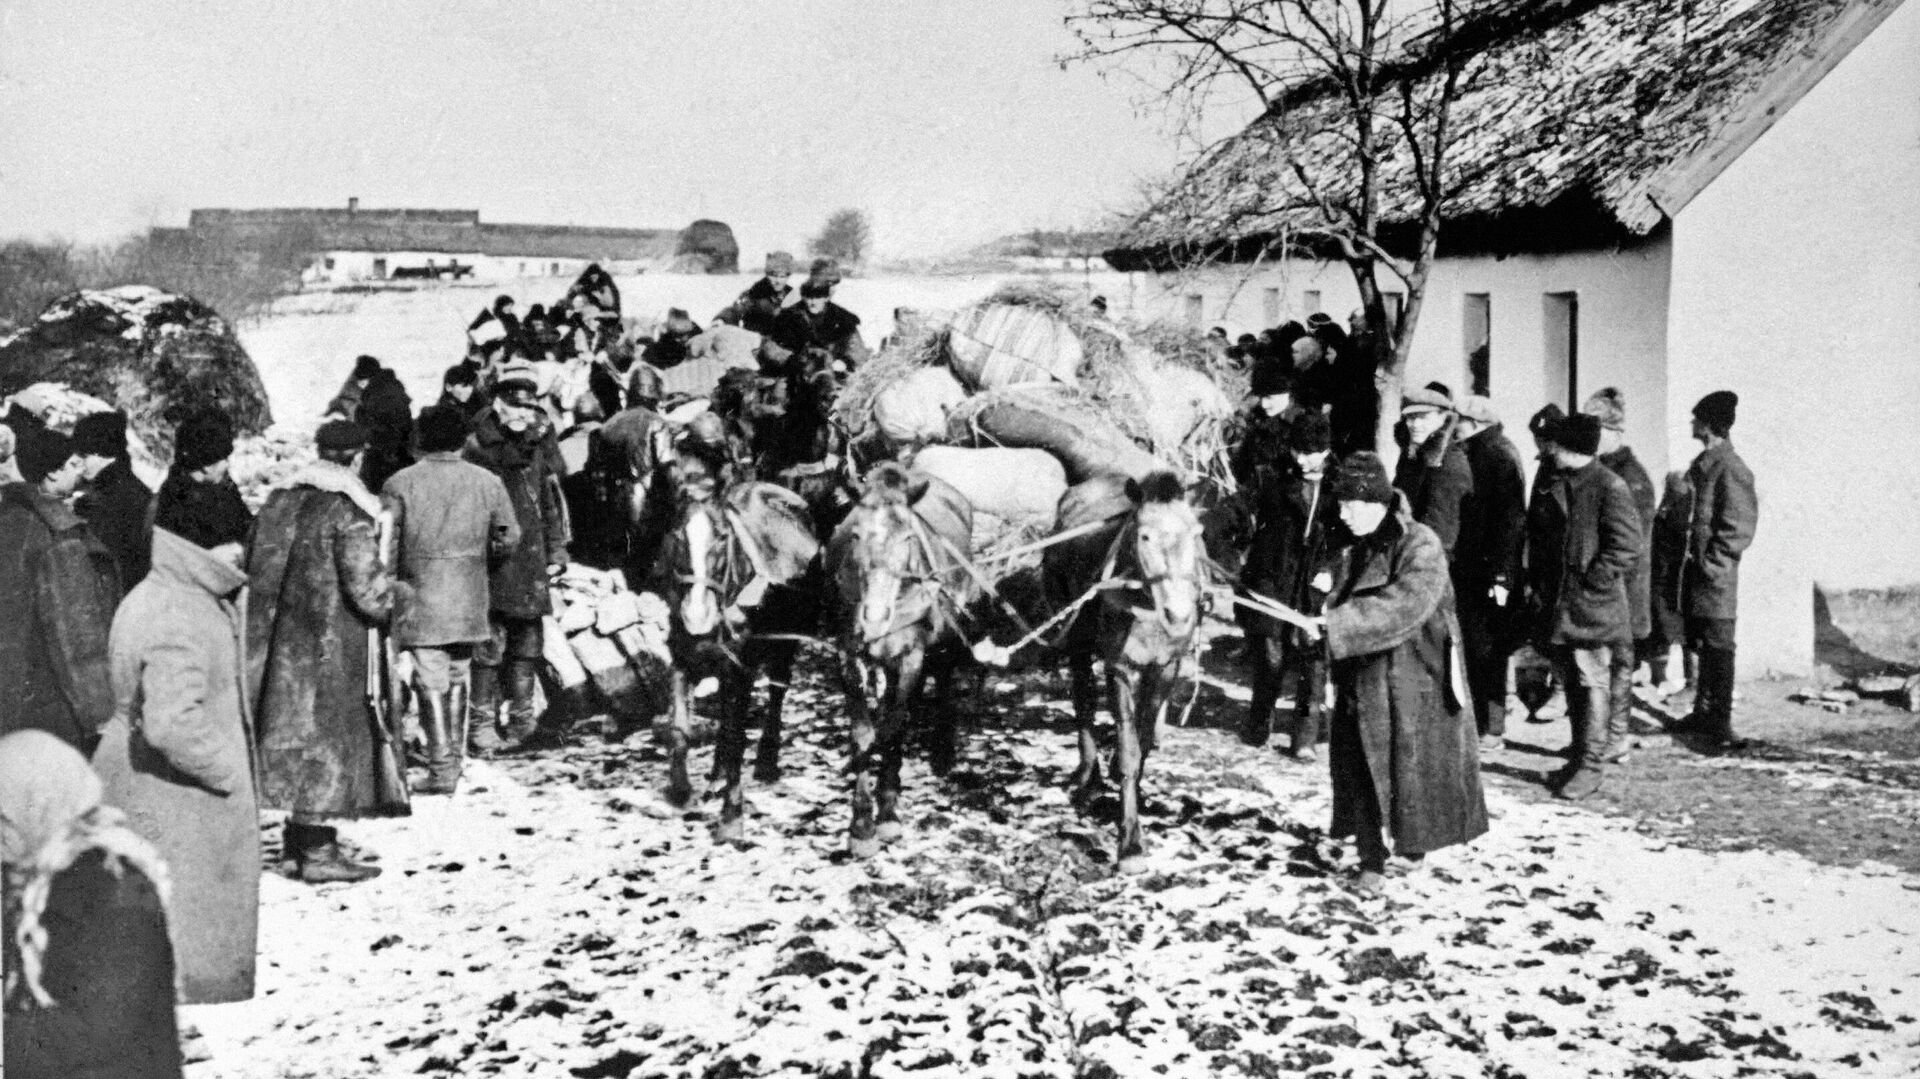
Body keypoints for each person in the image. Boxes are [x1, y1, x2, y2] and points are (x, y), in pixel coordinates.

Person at [94, 514, 258, 1006]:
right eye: (232, 545)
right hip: (172, 791)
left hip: (142, 779)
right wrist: (227, 771)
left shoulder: (156, 591)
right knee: (175, 916)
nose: (240, 557)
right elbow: (170, 724)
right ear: (202, 548)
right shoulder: (182, 613)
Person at [1314, 452, 1487, 892]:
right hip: (1364, 667)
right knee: (1362, 759)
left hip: (1417, 672)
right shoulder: (1352, 542)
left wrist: (1339, 623)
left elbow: (1407, 603)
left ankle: (1411, 842)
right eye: (1340, 504)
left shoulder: (1420, 543)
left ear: (1377, 502)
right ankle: (1371, 856)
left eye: (1352, 504)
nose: (1343, 513)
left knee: (1410, 764)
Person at [245, 421, 401, 883]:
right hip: (331, 647)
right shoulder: (347, 509)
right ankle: (317, 851)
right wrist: (400, 597)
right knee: (326, 741)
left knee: (293, 735)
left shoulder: (276, 502)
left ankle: (297, 845)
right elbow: (368, 593)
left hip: (278, 644)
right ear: (356, 458)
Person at [2, 730, 184, 1079]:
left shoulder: (118, 886)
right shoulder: (34, 870)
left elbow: (101, 1024)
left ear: (41, 806)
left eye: (4, 819)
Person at [384, 407, 520, 793]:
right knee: (460, 673)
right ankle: (454, 762)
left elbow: (387, 546)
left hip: (419, 594)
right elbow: (509, 535)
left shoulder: (399, 483)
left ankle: (442, 768)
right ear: (463, 439)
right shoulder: (487, 481)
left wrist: (391, 588)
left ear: (421, 439)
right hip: (469, 593)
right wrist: (482, 559)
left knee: (430, 678)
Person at [1523, 412, 1642, 800]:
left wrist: (1593, 581)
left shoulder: (1609, 486)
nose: (1547, 450)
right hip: (1563, 603)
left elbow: (1625, 546)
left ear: (1568, 447)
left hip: (1593, 606)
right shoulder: (1562, 481)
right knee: (1574, 681)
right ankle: (1578, 759)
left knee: (1592, 682)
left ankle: (1590, 767)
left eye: (1553, 444)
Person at [464, 364, 570, 752]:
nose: (524, 415)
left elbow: (549, 498)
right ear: (497, 404)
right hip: (491, 556)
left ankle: (522, 720)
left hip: (531, 555)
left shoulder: (539, 439)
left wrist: (557, 547)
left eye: (529, 407)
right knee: (489, 643)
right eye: (515, 406)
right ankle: (481, 724)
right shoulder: (477, 446)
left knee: (528, 641)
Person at [0, 427, 121, 752]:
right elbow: (76, 638)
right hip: (50, 706)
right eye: (71, 464)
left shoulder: (9, 518)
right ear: (52, 472)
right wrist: (99, 714)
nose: (80, 470)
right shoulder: (59, 538)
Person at [1236, 413, 1338, 760]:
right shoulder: (1271, 478)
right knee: (1270, 656)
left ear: (1326, 451)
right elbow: (1236, 509)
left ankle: (1305, 737)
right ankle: (1258, 723)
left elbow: (1352, 537)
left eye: (1312, 452)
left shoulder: (1342, 484)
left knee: (1313, 659)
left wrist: (1332, 569)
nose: (1302, 459)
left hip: (1315, 584)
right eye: (1298, 451)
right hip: (1272, 580)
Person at [1669, 391, 1758, 748]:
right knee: (1700, 642)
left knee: (1720, 647)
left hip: (1716, 580)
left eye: (1696, 419)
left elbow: (1738, 529)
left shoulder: (1731, 469)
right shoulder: (1702, 465)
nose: (1692, 424)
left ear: (1708, 425)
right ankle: (1702, 712)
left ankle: (1719, 724)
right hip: (1696, 576)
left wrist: (1711, 565)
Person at [1453, 396, 1528, 745]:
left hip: (1489, 569)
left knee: (1487, 649)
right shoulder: (1485, 450)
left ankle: (1492, 726)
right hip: (1480, 565)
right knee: (1478, 645)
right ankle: (1484, 721)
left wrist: (1501, 573)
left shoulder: (1494, 455)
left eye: (1460, 420)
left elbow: (1510, 520)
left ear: (1475, 423)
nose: (1456, 426)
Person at [1581, 388, 1657, 686]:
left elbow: (1630, 544)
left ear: (1614, 432)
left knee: (1620, 663)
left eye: (1596, 430)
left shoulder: (1630, 477)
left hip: (1622, 585)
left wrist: (1600, 575)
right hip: (1607, 586)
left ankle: (1616, 726)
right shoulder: (1598, 471)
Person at [71, 409, 154, 591]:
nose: (79, 464)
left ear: (105, 454)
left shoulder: (118, 498)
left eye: (85, 455)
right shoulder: (122, 490)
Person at [1393, 388, 1475, 559]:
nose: (1415, 425)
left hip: (1429, 559)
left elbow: (1441, 531)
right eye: (1410, 418)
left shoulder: (1449, 463)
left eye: (1423, 417)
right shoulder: (1413, 456)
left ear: (1442, 417)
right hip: (1408, 551)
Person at [153, 411, 252, 551]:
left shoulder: (223, 487)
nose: (227, 465)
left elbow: (246, 527)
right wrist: (216, 556)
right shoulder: (175, 503)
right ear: (206, 466)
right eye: (224, 459)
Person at [1645, 470, 1694, 698]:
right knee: (1664, 628)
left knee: (1673, 630)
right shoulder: (1667, 513)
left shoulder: (1679, 513)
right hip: (1663, 578)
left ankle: (1675, 679)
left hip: (1672, 581)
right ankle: (1661, 677)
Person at [768, 280, 869, 374]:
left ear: (826, 298)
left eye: (818, 297)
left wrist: (846, 361)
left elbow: (856, 348)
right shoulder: (788, 317)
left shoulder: (842, 319)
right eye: (809, 297)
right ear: (803, 298)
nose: (812, 302)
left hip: (834, 370)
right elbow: (772, 346)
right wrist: (790, 359)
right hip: (796, 370)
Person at [1228, 359, 1297, 494]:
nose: (1264, 404)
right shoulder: (1257, 415)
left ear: (1287, 392)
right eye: (1261, 397)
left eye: (1269, 398)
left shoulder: (1299, 425)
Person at [348, 357, 414, 492]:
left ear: (364, 379)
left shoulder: (373, 396)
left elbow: (370, 430)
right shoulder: (394, 387)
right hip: (402, 454)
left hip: (381, 458)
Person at [715, 251, 796, 336]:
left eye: (782, 276)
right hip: (756, 343)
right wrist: (722, 319)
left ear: (788, 276)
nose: (778, 281)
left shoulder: (794, 296)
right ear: (767, 275)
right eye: (774, 276)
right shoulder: (754, 293)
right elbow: (735, 310)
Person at [439, 363, 489, 427]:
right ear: (449, 387)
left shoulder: (470, 401)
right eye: (464, 386)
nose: (469, 390)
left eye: (470, 386)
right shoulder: (443, 413)